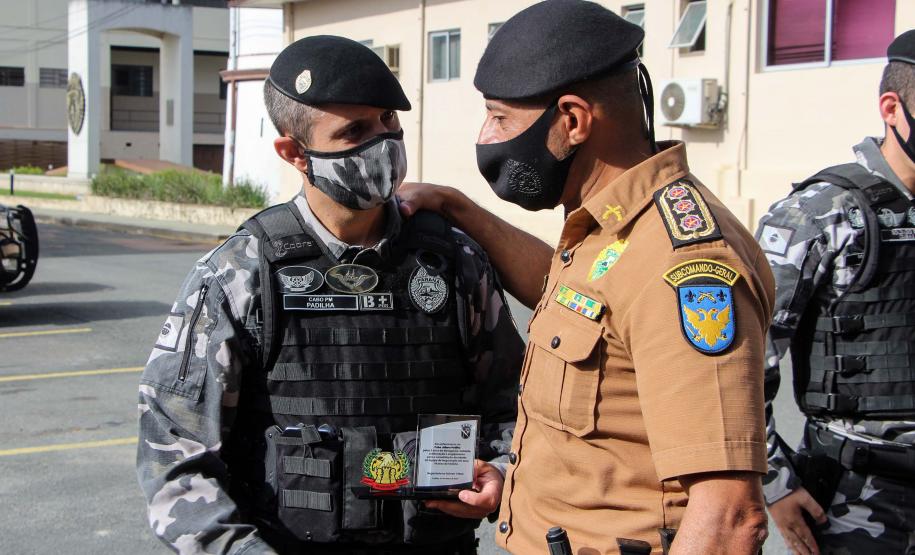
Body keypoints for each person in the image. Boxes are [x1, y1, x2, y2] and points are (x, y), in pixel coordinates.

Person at [399, 1, 775, 553]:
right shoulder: (610, 229)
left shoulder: (680, 263)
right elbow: (571, 300)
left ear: (572, 121)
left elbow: (729, 515)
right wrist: (458, 208)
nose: (487, 135)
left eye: (500, 118)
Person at [135, 35, 524, 555]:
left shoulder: (454, 262)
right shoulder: (242, 275)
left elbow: (519, 407)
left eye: (387, 120)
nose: (383, 142)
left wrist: (500, 473)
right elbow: (174, 455)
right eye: (355, 131)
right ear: (295, 152)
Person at [758, 31, 915, 555]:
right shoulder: (820, 214)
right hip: (859, 500)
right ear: (891, 109)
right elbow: (739, 365)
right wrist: (775, 484)